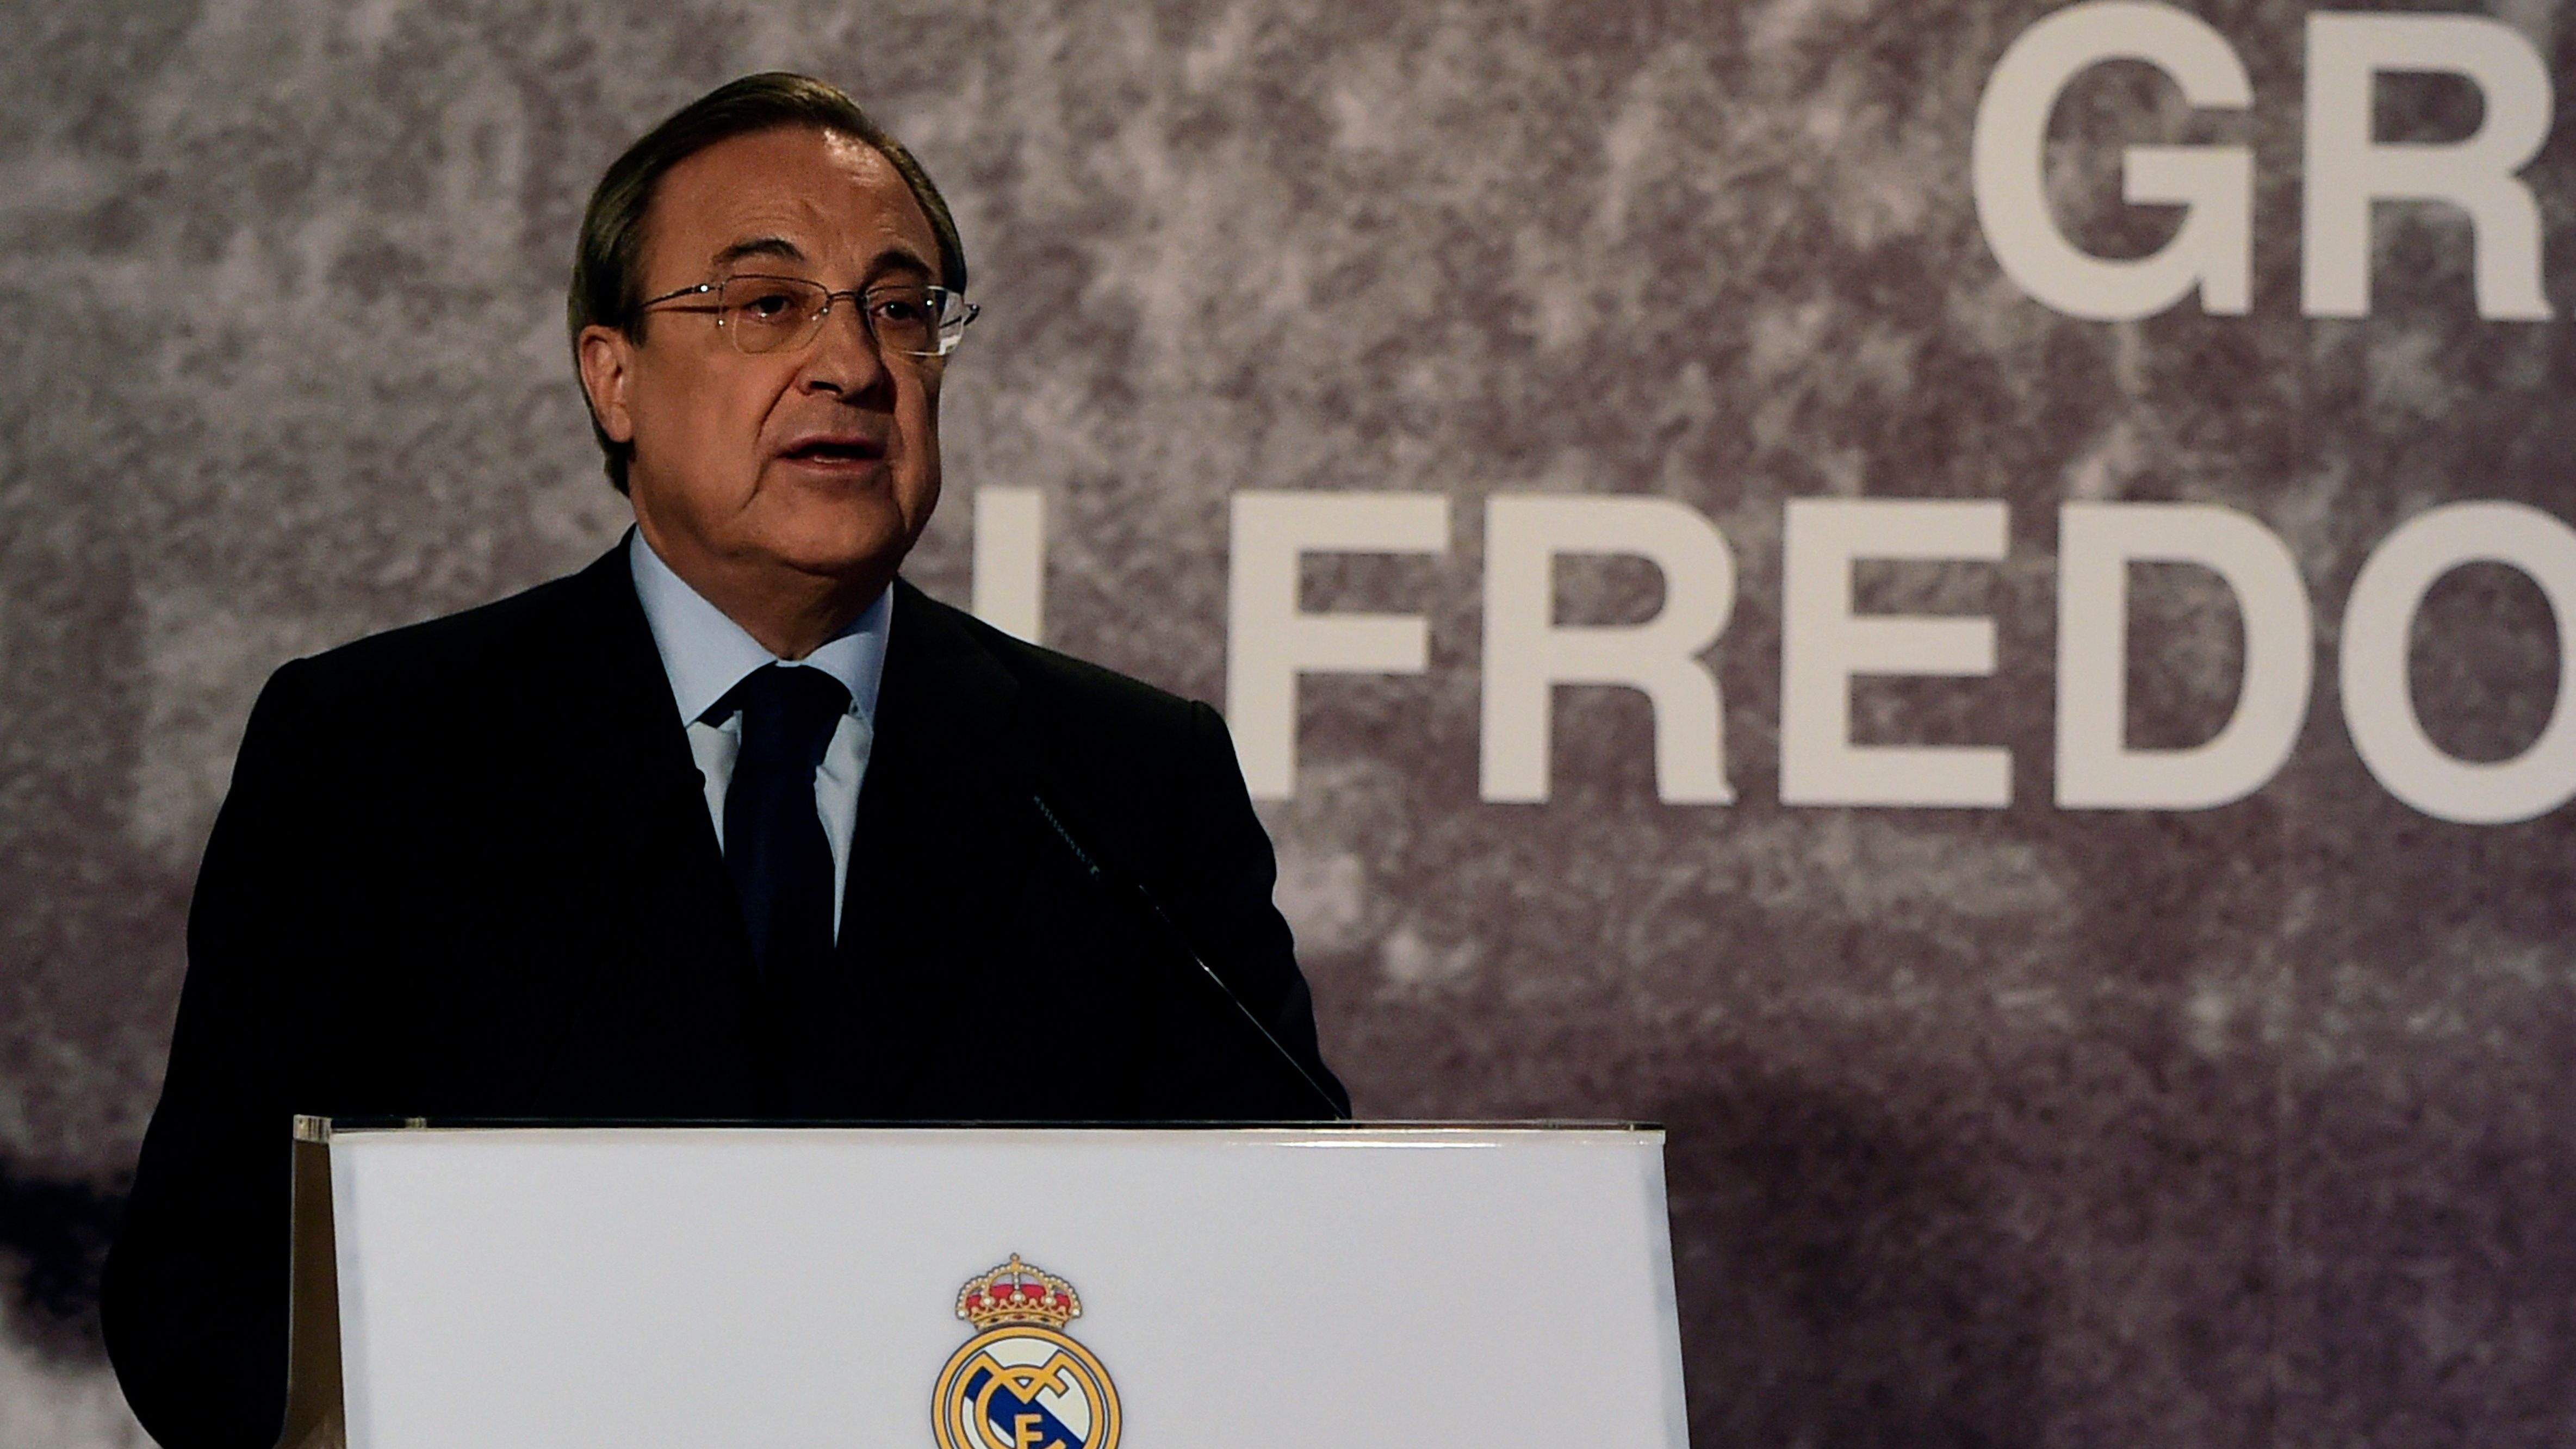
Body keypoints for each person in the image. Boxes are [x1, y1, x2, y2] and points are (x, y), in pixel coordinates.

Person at [101, 72, 1346, 1449]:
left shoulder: (1121, 781)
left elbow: (1279, 1258)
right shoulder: (378, 752)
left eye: (899, 306)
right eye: (765, 304)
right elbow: (200, 1284)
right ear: (612, 375)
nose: (854, 365)